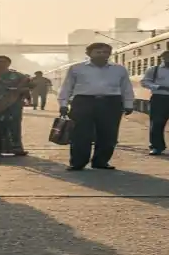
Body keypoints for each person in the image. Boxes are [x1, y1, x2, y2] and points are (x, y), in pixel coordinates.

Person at [57, 43, 134, 171]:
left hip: (111, 102)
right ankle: (77, 162)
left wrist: (129, 104)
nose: (102, 55)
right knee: (80, 134)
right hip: (83, 102)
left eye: (105, 52)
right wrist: (63, 104)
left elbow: (126, 88)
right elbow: (67, 87)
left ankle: (101, 161)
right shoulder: (76, 68)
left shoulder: (119, 69)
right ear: (88, 54)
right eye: (98, 52)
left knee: (108, 134)